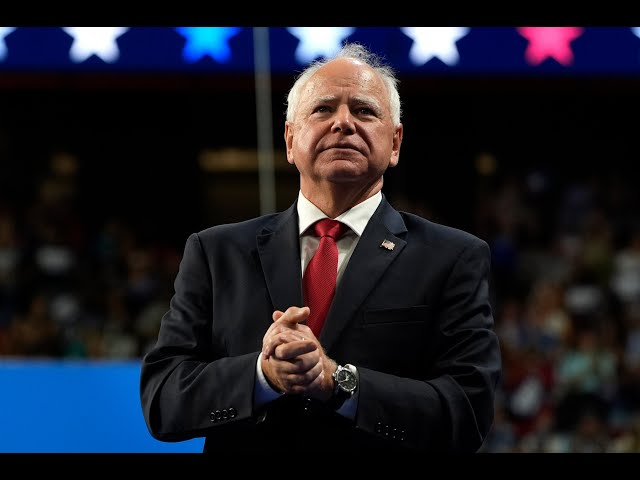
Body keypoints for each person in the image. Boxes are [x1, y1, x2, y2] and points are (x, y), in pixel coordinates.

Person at [139, 42, 502, 453]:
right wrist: (262, 376)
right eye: (323, 109)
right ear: (291, 140)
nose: (343, 123)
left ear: (396, 142)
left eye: (364, 110)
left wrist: (338, 381)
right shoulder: (215, 252)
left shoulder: (453, 258)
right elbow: (162, 401)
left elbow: (467, 413)